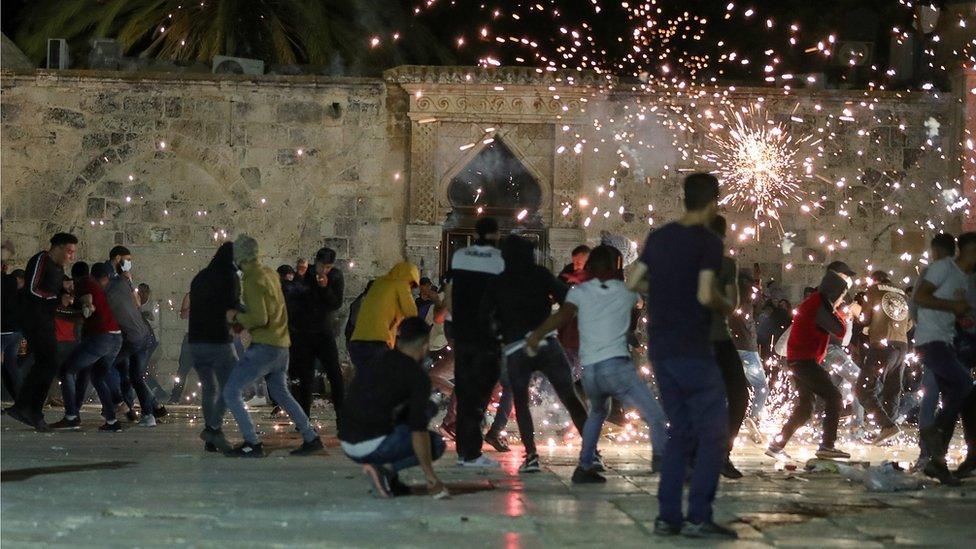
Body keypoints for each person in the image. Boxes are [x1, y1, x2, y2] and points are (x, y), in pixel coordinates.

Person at [625, 173, 736, 539]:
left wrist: (665, 290)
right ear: (712, 202)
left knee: (680, 432)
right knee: (714, 433)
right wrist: (726, 306)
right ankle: (699, 516)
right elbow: (706, 295)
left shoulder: (660, 236)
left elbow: (633, 280)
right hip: (693, 346)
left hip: (662, 349)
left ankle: (667, 517)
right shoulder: (708, 242)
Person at [528, 245, 668, 483]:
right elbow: (644, 299)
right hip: (617, 367)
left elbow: (562, 316)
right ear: (616, 266)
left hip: (591, 370)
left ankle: (584, 467)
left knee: (597, 413)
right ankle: (663, 462)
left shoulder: (579, 292)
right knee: (654, 416)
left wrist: (536, 335)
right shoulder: (626, 291)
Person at [481, 235, 588, 474]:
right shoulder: (540, 274)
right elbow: (569, 301)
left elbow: (485, 317)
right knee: (570, 396)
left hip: (517, 347)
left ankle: (531, 456)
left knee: (521, 399)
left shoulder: (498, 282)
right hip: (547, 342)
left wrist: (499, 339)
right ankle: (591, 453)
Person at [222, 235, 324, 457]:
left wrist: (237, 319)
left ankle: (252, 443)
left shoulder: (251, 278)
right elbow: (277, 310)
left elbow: (259, 317)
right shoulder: (269, 273)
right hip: (281, 345)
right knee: (281, 393)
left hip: (265, 347)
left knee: (230, 391)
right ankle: (311, 437)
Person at [339, 317, 448, 499]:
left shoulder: (377, 359)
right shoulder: (417, 375)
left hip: (347, 442)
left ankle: (390, 479)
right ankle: (384, 469)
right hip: (371, 444)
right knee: (436, 443)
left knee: (406, 415)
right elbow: (418, 430)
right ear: (424, 345)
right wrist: (432, 479)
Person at [766, 268, 852, 461]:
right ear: (835, 292)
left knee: (805, 407)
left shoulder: (815, 302)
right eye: (841, 296)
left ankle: (776, 445)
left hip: (799, 360)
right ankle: (827, 446)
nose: (841, 300)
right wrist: (843, 313)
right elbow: (839, 330)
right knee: (835, 397)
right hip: (804, 361)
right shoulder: (820, 305)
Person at [913, 232, 976, 484]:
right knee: (962, 385)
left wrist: (961, 315)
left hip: (947, 342)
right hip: (931, 341)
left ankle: (936, 463)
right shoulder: (943, 268)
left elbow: (956, 310)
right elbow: (919, 298)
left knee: (956, 395)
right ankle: (933, 437)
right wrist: (954, 308)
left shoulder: (962, 278)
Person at [443, 217, 505, 468]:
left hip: (462, 333)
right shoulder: (498, 260)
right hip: (486, 336)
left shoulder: (459, 256)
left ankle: (464, 452)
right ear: (495, 234)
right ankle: (472, 453)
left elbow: (449, 293)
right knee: (479, 395)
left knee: (465, 389)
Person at [6, 233, 78, 431]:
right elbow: (33, 288)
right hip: (34, 320)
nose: (71, 257)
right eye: (69, 252)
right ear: (59, 247)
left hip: (45, 320)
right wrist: (54, 299)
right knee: (49, 361)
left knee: (46, 363)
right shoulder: (41, 260)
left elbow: (53, 290)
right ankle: (29, 409)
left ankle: (26, 407)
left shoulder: (57, 267)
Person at [50, 263, 124, 431]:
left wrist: (85, 307)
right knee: (97, 376)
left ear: (75, 277)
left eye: (69, 282)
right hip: (115, 337)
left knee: (66, 371)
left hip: (102, 337)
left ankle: (71, 416)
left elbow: (87, 305)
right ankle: (112, 422)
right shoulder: (93, 285)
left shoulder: (84, 284)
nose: (68, 286)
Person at [706, 215, 749, 479]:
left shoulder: (726, 265)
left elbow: (730, 305)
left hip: (720, 339)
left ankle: (723, 453)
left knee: (739, 395)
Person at [187, 242, 239, 452]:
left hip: (196, 341)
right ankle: (212, 429)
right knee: (232, 386)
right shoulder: (230, 277)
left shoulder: (200, 277)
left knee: (209, 389)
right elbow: (232, 307)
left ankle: (211, 437)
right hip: (218, 340)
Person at [105, 252, 166, 426]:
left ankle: (125, 407)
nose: (129, 264)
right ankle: (149, 411)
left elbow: (135, 305)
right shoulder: (123, 281)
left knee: (108, 367)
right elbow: (137, 304)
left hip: (134, 337)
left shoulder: (115, 284)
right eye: (127, 260)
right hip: (140, 336)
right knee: (134, 375)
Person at [287, 247, 345, 419]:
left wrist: (325, 287)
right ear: (316, 262)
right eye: (322, 266)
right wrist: (299, 276)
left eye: (327, 267)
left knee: (334, 374)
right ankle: (303, 418)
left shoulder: (335, 276)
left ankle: (341, 416)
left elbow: (335, 304)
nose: (323, 270)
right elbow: (294, 295)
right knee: (306, 377)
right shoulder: (307, 272)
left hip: (324, 332)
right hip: (305, 333)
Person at [857, 270, 911, 444]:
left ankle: (887, 426)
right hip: (902, 346)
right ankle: (888, 434)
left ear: (873, 279)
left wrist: (859, 316)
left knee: (864, 389)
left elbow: (864, 318)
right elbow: (910, 322)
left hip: (882, 344)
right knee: (893, 390)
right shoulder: (902, 292)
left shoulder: (873, 290)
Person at [348, 262, 420, 371]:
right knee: (381, 382)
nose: (410, 288)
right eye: (411, 284)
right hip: (378, 342)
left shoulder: (379, 283)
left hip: (357, 342)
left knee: (365, 381)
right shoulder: (401, 284)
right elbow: (412, 314)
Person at [729, 269, 768, 444]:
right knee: (761, 387)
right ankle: (753, 419)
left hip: (731, 349)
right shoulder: (749, 298)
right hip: (747, 349)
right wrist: (758, 288)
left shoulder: (729, 297)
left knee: (731, 389)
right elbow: (761, 305)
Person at [2, 241, 24, 400]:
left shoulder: (6, 282)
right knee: (12, 365)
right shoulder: (11, 283)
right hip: (15, 330)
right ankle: (23, 400)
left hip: (3, 330)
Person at [168, 292, 194, 404]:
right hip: (191, 338)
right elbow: (182, 315)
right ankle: (175, 397)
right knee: (183, 369)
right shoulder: (190, 295)